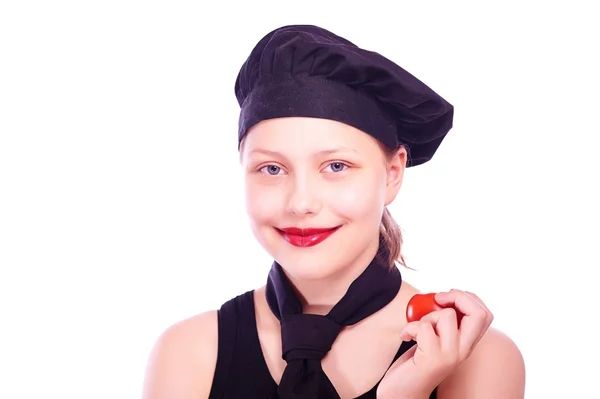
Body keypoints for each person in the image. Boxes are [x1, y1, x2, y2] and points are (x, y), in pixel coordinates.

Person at [142, 25, 526, 399]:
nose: (301, 203)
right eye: (272, 169)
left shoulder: (478, 359)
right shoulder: (189, 353)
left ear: (393, 174)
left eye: (336, 166)